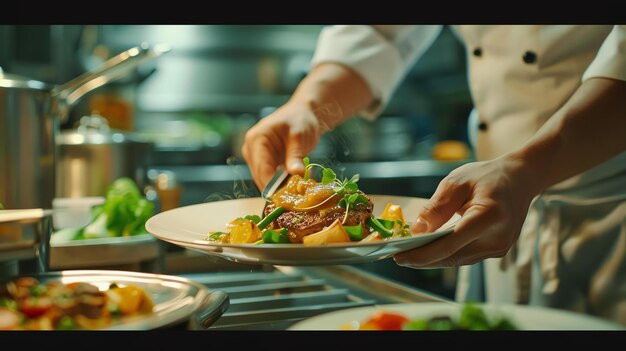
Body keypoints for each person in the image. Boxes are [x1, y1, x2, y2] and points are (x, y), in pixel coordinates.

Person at [240, 25, 626, 325]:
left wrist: (529, 169)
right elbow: (379, 31)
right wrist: (306, 104)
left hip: (611, 218)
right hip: (494, 212)